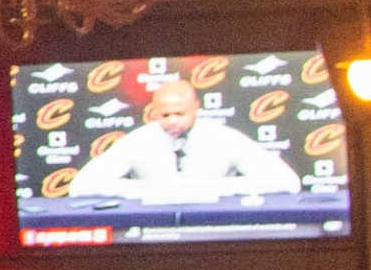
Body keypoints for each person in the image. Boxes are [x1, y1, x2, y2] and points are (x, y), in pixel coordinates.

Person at [70, 77, 300, 200]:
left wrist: (213, 188)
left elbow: (287, 182)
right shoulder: (138, 141)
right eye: (165, 114)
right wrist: (149, 190)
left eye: (180, 114)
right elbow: (81, 186)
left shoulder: (223, 138)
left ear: (196, 108)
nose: (172, 121)